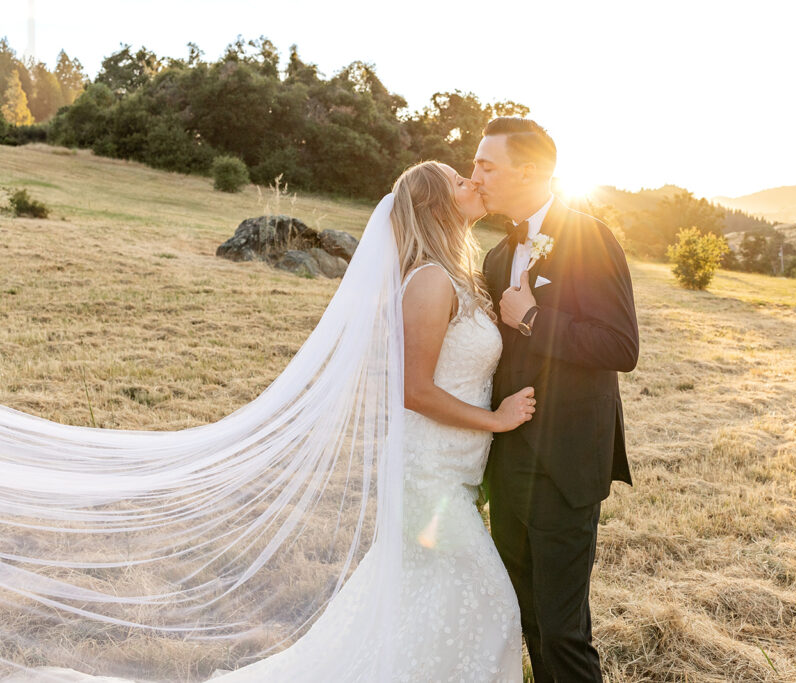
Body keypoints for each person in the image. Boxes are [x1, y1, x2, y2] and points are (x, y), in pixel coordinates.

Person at [0, 161, 529, 682]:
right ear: (436, 204)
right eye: (461, 180)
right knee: (489, 599)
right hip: (425, 471)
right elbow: (413, 390)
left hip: (452, 469)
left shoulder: (459, 275)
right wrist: (497, 421)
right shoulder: (431, 281)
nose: (474, 181)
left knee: (423, 601)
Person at [476, 117, 640, 682]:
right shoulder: (497, 256)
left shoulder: (589, 236)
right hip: (509, 461)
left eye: (486, 165)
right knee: (527, 619)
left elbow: (620, 345)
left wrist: (534, 318)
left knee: (564, 631)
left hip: (566, 463)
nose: (476, 176)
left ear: (528, 171)